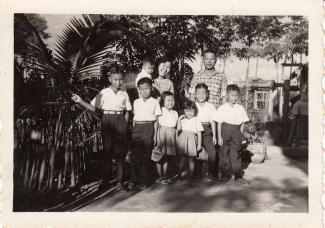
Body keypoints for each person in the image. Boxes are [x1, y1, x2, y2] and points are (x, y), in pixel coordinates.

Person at [71, 64, 131, 192]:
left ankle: (120, 182)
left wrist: (125, 124)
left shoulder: (124, 94)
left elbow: (127, 110)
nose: (118, 82)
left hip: (120, 121)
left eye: (121, 79)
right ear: (110, 79)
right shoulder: (103, 92)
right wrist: (80, 101)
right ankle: (106, 180)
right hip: (107, 121)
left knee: (120, 154)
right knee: (107, 152)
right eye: (115, 79)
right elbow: (94, 108)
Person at [129, 77, 162, 190]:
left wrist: (156, 135)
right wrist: (134, 130)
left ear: (151, 88)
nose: (144, 91)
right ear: (139, 90)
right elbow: (134, 118)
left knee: (145, 155)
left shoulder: (154, 102)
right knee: (135, 155)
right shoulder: (136, 102)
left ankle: (144, 180)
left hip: (149, 127)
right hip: (137, 127)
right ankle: (133, 179)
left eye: (147, 88)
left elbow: (156, 121)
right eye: (141, 89)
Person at [215, 84, 250, 184]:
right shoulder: (222, 108)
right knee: (224, 154)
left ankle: (238, 175)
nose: (234, 98)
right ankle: (225, 175)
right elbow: (219, 123)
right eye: (232, 95)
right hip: (224, 131)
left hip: (236, 132)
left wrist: (241, 134)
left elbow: (243, 122)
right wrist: (219, 137)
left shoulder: (240, 108)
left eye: (236, 95)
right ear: (227, 95)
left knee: (236, 154)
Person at [194, 83, 219, 181]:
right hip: (196, 131)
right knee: (197, 152)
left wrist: (214, 136)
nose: (201, 96)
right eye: (199, 94)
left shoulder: (210, 106)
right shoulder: (194, 105)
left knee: (212, 152)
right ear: (195, 94)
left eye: (203, 93)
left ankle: (211, 173)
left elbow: (213, 122)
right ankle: (196, 174)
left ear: (207, 94)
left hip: (207, 131)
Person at [154, 91, 178, 184]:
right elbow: (156, 124)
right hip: (162, 134)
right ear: (163, 101)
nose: (170, 102)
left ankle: (164, 176)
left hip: (171, 135)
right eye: (168, 100)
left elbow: (176, 126)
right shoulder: (160, 111)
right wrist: (156, 136)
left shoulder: (175, 113)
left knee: (167, 157)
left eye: (172, 100)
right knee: (159, 156)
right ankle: (160, 177)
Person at [177, 100, 203, 180]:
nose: (189, 113)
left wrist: (199, 144)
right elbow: (178, 129)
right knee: (182, 159)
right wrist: (179, 119)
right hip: (183, 140)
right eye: (187, 111)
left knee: (191, 159)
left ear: (195, 111)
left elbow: (199, 133)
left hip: (192, 140)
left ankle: (191, 176)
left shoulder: (196, 119)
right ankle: (179, 175)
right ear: (184, 111)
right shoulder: (183, 120)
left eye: (191, 111)